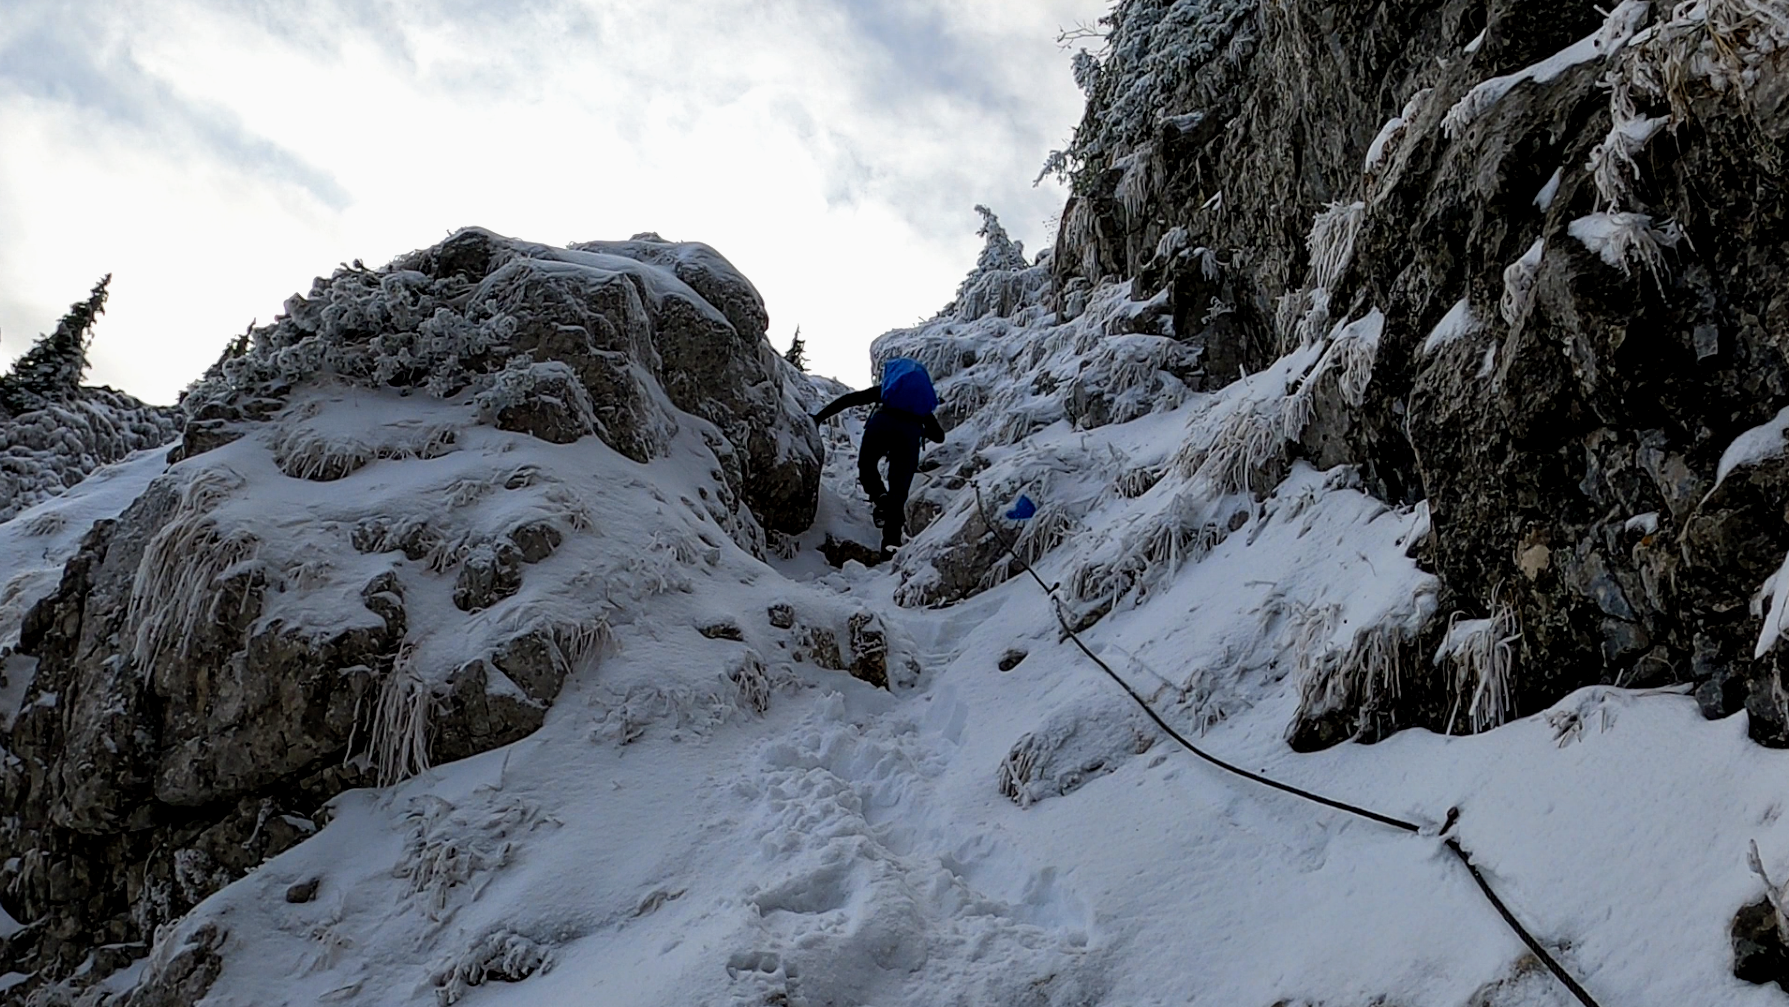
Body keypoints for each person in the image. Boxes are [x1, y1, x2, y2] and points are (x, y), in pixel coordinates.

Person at [812, 357, 946, 554]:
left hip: (882, 424)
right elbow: (939, 436)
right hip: (910, 434)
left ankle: (880, 500)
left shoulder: (887, 393)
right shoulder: (921, 408)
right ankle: (891, 545)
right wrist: (920, 431)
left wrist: (819, 418)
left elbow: (850, 400)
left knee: (867, 466)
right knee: (898, 492)